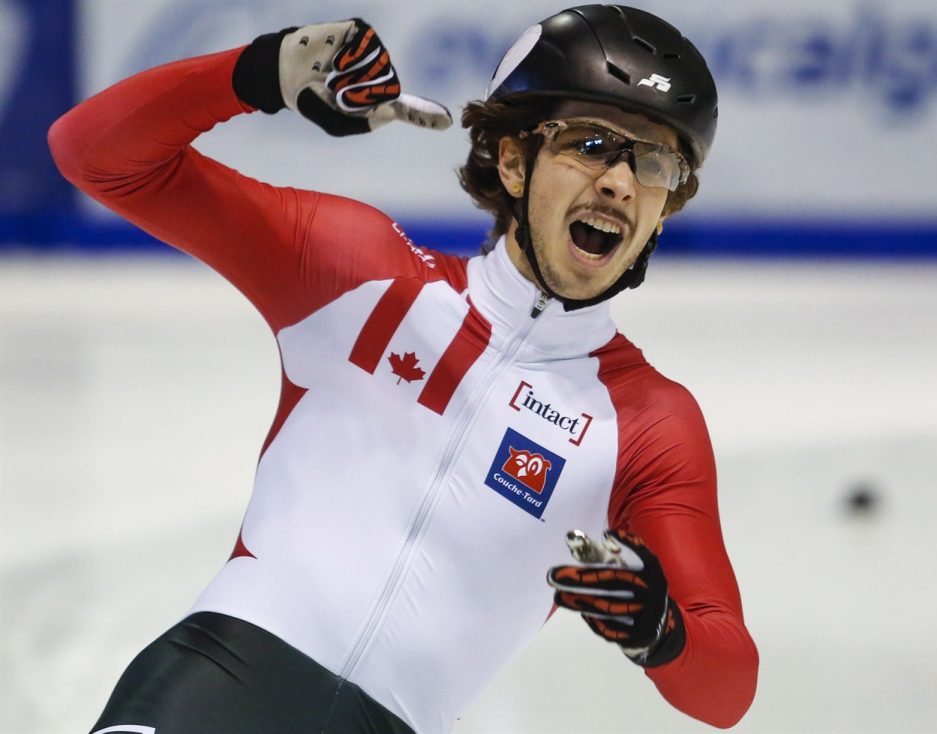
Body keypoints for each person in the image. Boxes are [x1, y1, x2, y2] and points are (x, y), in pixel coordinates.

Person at [49, 5, 758, 733]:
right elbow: (90, 153)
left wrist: (660, 631)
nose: (618, 182)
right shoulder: (357, 273)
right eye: (591, 144)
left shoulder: (648, 423)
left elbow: (729, 689)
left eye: (653, 162)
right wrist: (258, 72)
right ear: (513, 160)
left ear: (666, 205)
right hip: (215, 681)